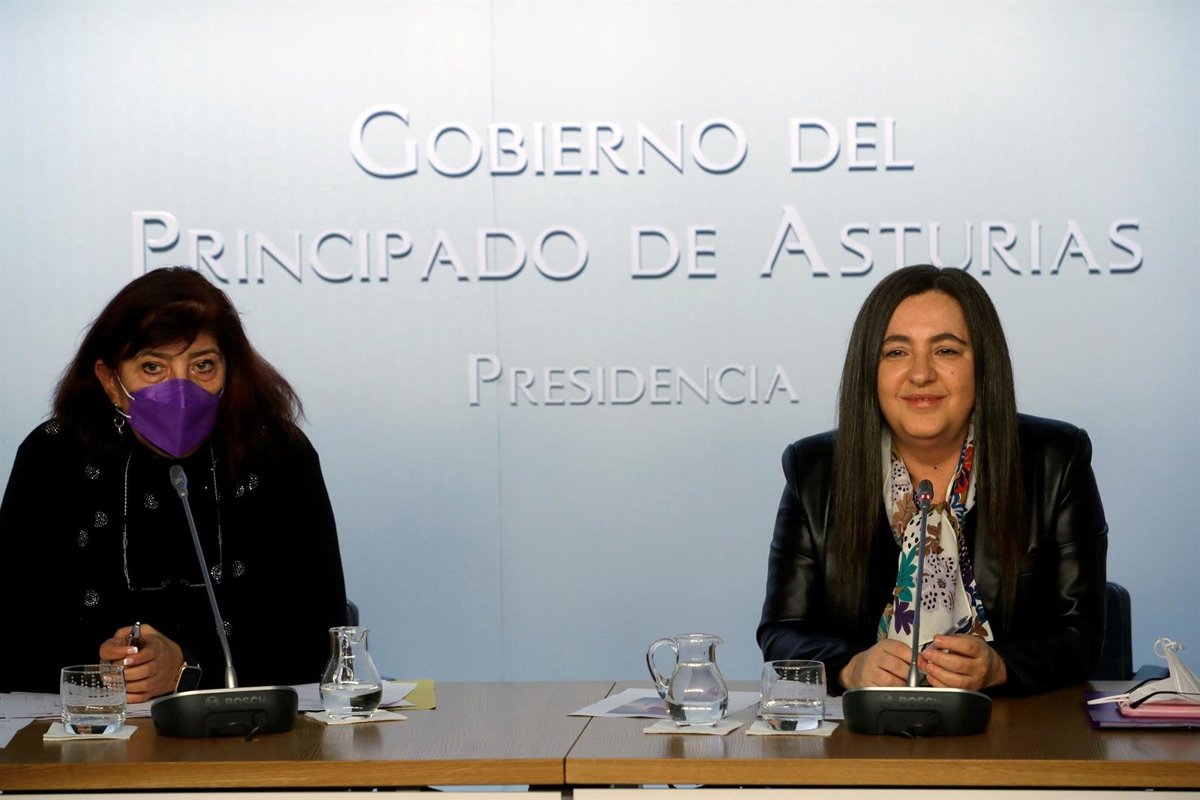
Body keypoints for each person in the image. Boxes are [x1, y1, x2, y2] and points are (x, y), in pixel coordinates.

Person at [0, 268, 348, 702]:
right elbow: (11, 637)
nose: (180, 389)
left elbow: (321, 641)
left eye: (202, 365)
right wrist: (99, 667)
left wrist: (187, 668)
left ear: (229, 370)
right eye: (153, 367)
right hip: (91, 731)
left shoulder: (278, 454)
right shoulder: (53, 456)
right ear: (110, 380)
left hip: (247, 731)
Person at [758, 265, 1107, 696]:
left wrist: (1000, 666)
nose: (921, 374)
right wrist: (850, 667)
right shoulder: (814, 469)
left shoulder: (1056, 460)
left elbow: (1082, 635)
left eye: (946, 350)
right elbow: (781, 633)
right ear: (869, 370)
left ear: (983, 365)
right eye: (896, 352)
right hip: (864, 730)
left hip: (1009, 727)